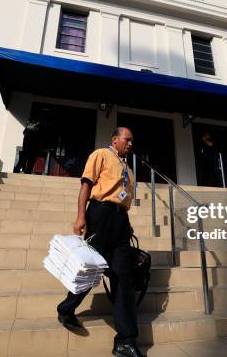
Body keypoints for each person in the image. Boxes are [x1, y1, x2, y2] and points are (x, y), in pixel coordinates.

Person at [56, 127, 145, 357]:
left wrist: (125, 223)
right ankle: (66, 310)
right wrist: (80, 216)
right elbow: (86, 186)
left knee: (124, 277)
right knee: (91, 268)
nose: (130, 144)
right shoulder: (101, 155)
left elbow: (123, 198)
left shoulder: (128, 169)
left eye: (132, 141)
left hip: (120, 222)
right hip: (100, 216)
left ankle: (125, 340)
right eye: (127, 139)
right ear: (115, 140)